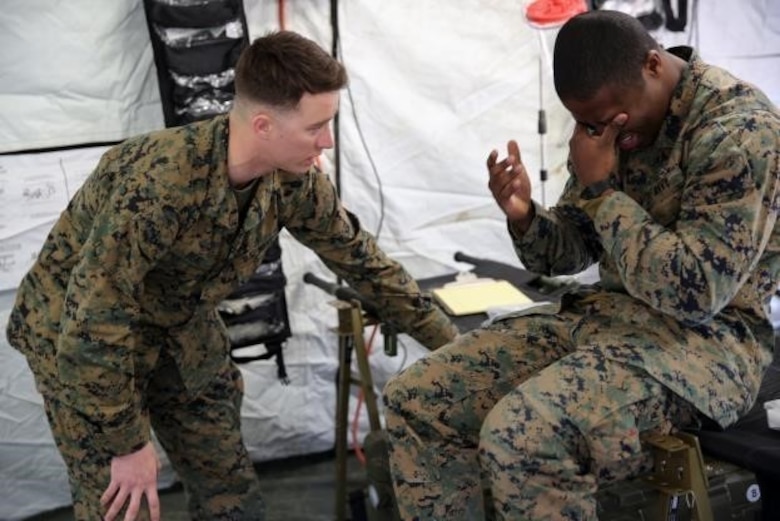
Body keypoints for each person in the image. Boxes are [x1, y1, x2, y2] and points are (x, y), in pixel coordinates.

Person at [5, 30, 458, 521]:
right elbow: (94, 318)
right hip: (76, 337)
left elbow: (362, 260)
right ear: (263, 125)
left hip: (179, 326)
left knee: (231, 498)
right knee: (121, 507)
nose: (327, 141)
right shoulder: (161, 184)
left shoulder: (294, 181)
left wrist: (452, 345)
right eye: (316, 127)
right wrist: (126, 443)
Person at [383, 9, 780, 520]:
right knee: (416, 400)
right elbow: (572, 250)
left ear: (653, 67)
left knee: (523, 436)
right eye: (586, 123)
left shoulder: (739, 134)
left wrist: (601, 190)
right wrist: (526, 216)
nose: (605, 133)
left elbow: (697, 294)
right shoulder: (609, 123)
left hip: (707, 350)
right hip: (609, 322)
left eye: (613, 120)